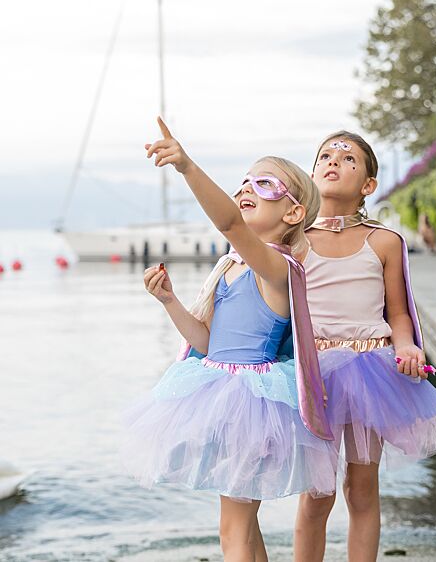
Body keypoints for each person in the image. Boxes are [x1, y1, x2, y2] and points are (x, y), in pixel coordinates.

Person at [122, 117, 337, 562]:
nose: (246, 189)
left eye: (264, 184)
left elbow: (229, 223)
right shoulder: (231, 266)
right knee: (243, 526)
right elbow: (205, 341)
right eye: (244, 181)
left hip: (251, 403)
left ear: (293, 213)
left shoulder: (278, 268)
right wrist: (170, 301)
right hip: (218, 389)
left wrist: (187, 167)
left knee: (232, 530)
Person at [294, 131, 436, 562]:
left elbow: (398, 314)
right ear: (312, 172)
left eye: (348, 159)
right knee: (317, 493)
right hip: (316, 376)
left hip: (370, 372)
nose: (333, 162)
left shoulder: (385, 241)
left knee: (361, 489)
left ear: (368, 185)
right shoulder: (295, 241)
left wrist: (407, 349)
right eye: (325, 155)